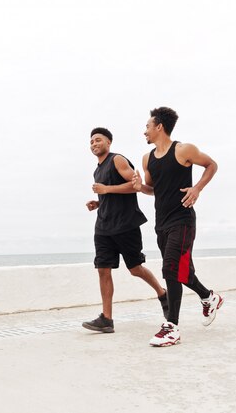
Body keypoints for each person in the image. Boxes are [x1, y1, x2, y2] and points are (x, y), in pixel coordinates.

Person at [132, 107, 224, 347]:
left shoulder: (184, 150)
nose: (145, 132)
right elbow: (153, 190)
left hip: (183, 221)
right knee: (181, 271)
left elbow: (211, 165)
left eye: (147, 127)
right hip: (161, 223)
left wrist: (197, 188)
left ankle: (171, 326)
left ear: (159, 126)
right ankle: (208, 296)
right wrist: (140, 186)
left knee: (171, 269)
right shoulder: (147, 159)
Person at [83, 127, 168, 334]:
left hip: (125, 225)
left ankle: (162, 293)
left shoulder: (117, 160)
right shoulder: (97, 169)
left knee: (135, 268)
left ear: (109, 142)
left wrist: (106, 189)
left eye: (98, 140)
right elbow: (109, 195)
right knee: (103, 269)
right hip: (103, 226)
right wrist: (99, 202)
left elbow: (135, 185)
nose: (94, 144)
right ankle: (106, 319)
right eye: (91, 141)